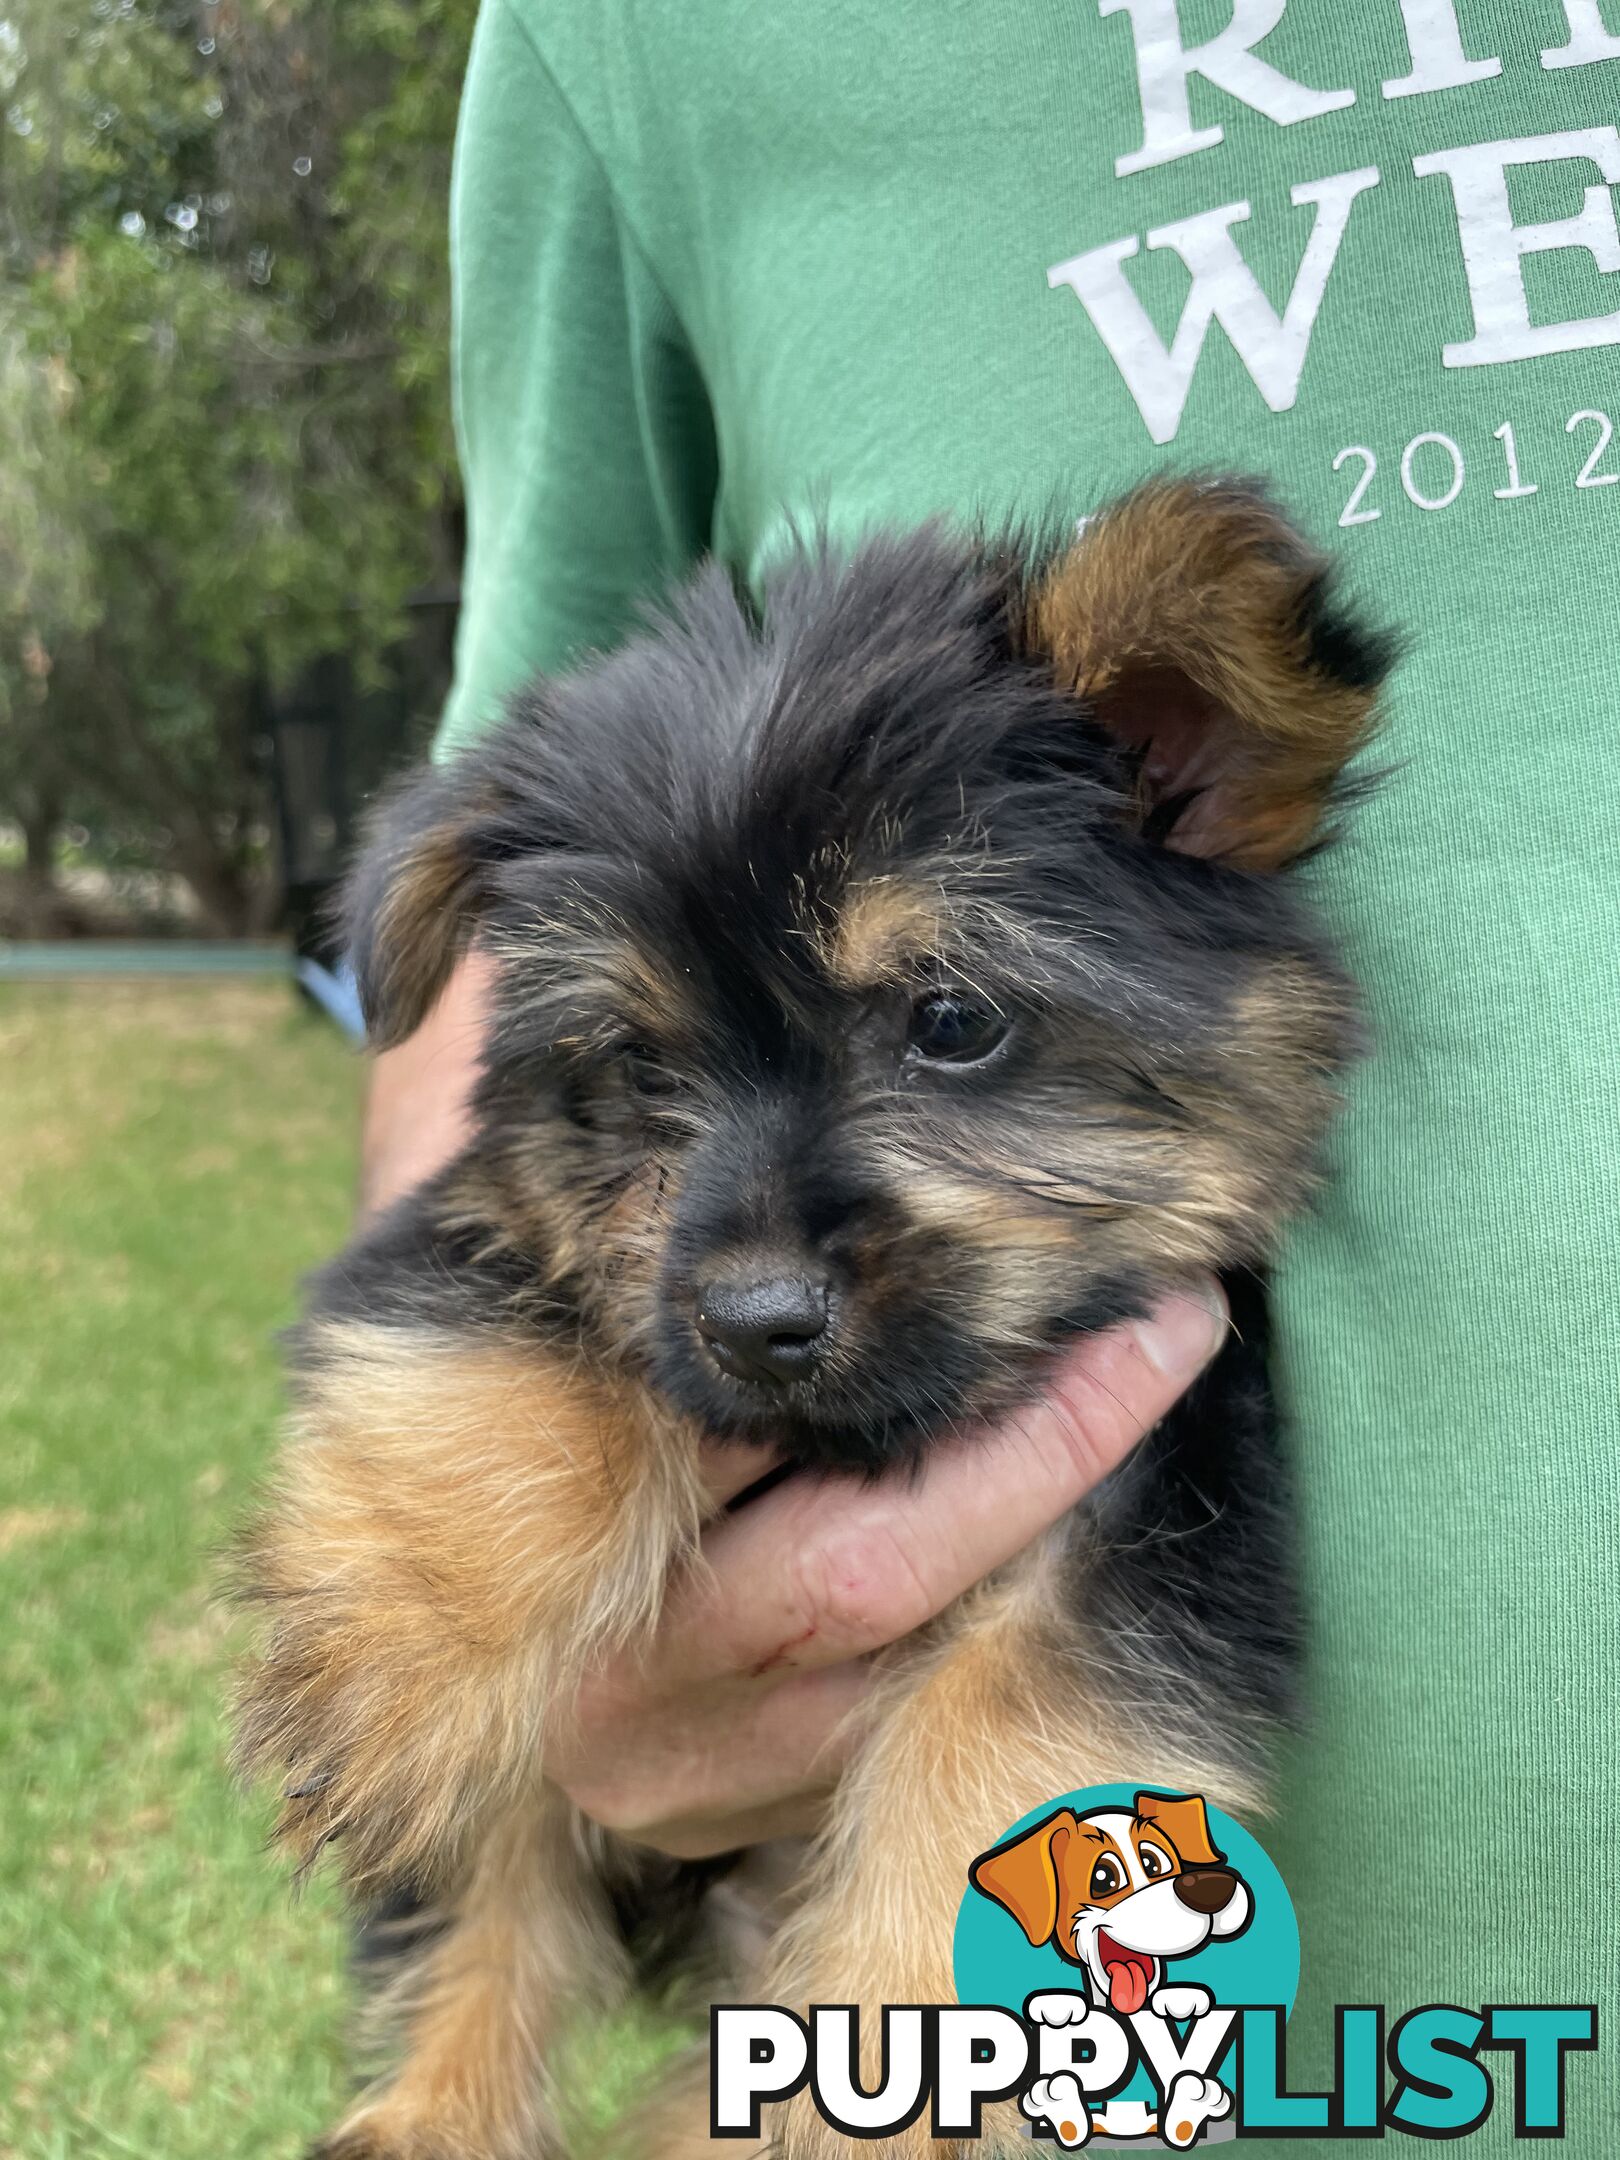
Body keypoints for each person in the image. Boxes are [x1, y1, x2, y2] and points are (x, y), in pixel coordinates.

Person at [367, 3, 1620, 2147]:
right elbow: (501, 993)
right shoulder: (627, 40)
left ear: (1194, 760)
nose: (768, 1257)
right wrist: (507, 1557)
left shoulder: (1151, 756)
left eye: (946, 1025)